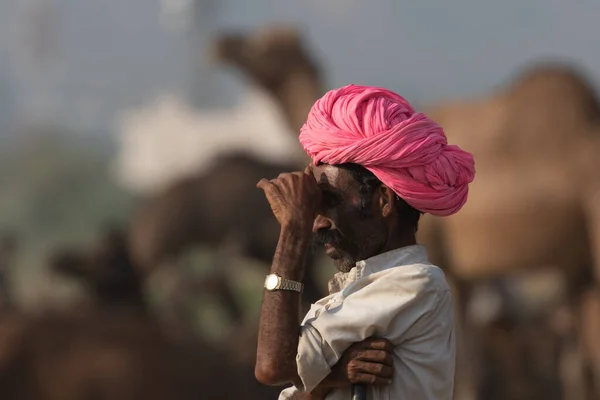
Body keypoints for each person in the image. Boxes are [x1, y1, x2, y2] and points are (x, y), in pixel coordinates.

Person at [255, 84, 475, 399]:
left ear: (383, 201)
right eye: (313, 205)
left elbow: (272, 366)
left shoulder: (413, 284)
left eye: (328, 199)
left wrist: (293, 230)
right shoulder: (358, 292)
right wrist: (334, 376)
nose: (317, 221)